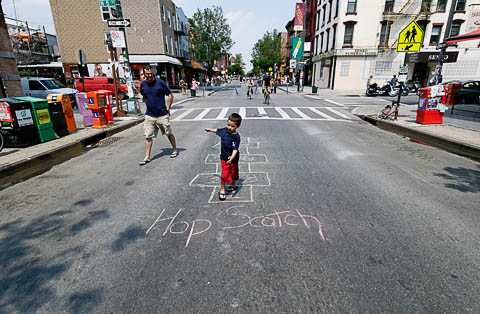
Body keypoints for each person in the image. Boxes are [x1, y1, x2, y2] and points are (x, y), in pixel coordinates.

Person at [139, 65, 177, 165]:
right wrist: (148, 104)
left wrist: (168, 107)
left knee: (168, 133)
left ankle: (174, 149)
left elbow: (170, 94)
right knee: (148, 136)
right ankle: (147, 156)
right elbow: (144, 96)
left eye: (151, 73)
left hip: (162, 114)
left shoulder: (160, 83)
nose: (150, 75)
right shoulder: (142, 85)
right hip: (150, 115)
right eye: (147, 74)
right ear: (144, 74)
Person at [204, 113, 242, 201]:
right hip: (224, 158)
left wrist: (232, 158)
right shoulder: (224, 131)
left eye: (232, 126)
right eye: (228, 125)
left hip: (234, 159)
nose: (229, 127)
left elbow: (235, 149)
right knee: (224, 175)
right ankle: (222, 190)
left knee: (234, 173)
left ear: (237, 126)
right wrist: (210, 130)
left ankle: (232, 185)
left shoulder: (237, 137)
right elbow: (217, 130)